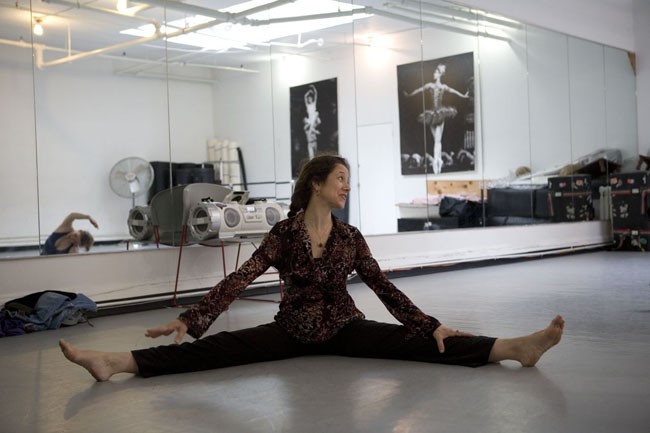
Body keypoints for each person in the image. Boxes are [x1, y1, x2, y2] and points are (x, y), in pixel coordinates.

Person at [60, 155, 564, 382]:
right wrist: (192, 319)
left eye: (349, 180)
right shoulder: (283, 234)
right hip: (292, 330)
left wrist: (427, 323)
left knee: (425, 343)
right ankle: (116, 361)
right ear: (318, 184)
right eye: (341, 179)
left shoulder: (349, 237)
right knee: (214, 352)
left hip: (346, 327)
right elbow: (242, 276)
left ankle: (514, 348)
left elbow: (382, 287)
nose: (347, 187)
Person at [404, 64, 470, 174]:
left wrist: (463, 96)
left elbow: (453, 91)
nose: (433, 74)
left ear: (439, 74)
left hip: (440, 113)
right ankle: (437, 162)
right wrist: (409, 95)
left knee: (437, 141)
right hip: (432, 115)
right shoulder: (430, 85)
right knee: (437, 141)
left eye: (435, 72)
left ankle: (437, 163)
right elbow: (420, 89)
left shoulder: (443, 86)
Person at [303, 84, 321, 160]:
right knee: (311, 127)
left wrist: (313, 88)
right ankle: (313, 130)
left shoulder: (314, 104)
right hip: (311, 121)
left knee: (317, 115)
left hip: (314, 119)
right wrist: (308, 92)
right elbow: (304, 97)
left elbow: (316, 95)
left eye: (310, 98)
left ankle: (313, 129)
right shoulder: (308, 106)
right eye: (309, 99)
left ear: (312, 99)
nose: (309, 99)